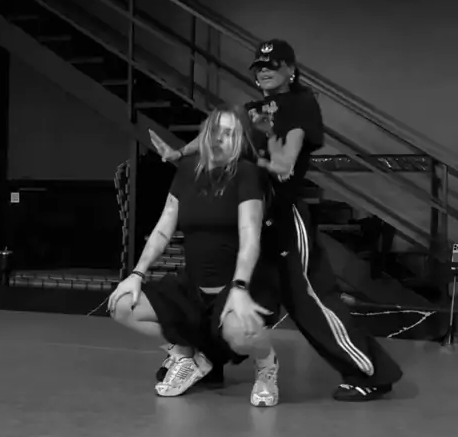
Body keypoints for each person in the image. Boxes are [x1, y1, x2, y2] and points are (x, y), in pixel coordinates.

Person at [150, 38, 403, 402]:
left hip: (284, 217)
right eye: (260, 67)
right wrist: (178, 152)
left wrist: (266, 153)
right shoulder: (252, 109)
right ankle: (209, 362)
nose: (265, 71)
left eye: (273, 65)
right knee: (220, 292)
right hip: (251, 214)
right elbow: (213, 136)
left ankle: (371, 373)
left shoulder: (301, 104)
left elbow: (286, 160)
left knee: (310, 299)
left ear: (290, 70)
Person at [109, 105, 281, 407]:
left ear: (239, 141)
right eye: (215, 131)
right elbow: (163, 227)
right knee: (122, 305)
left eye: (229, 134)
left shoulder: (247, 174)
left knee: (240, 331)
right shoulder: (188, 171)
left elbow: (250, 236)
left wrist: (240, 287)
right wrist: (137, 274)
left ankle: (267, 364)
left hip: (237, 285)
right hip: (194, 289)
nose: (219, 139)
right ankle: (185, 356)